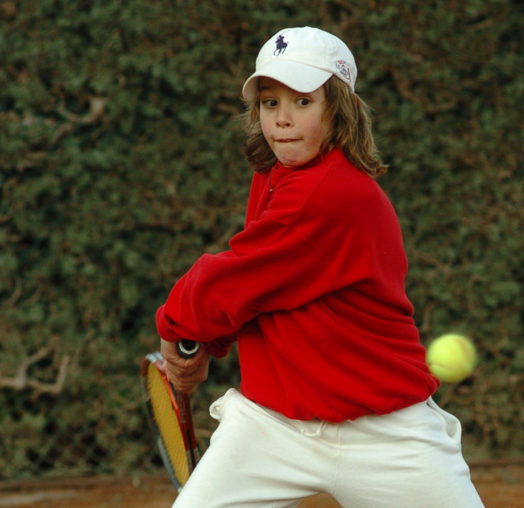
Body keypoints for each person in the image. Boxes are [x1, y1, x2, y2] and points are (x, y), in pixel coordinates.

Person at [156, 26, 485, 508]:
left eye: (303, 102)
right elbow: (262, 285)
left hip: (383, 430)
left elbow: (227, 280)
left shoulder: (333, 193)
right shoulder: (274, 175)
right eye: (270, 103)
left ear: (340, 109)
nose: (283, 120)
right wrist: (208, 341)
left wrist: (176, 329)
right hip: (274, 424)